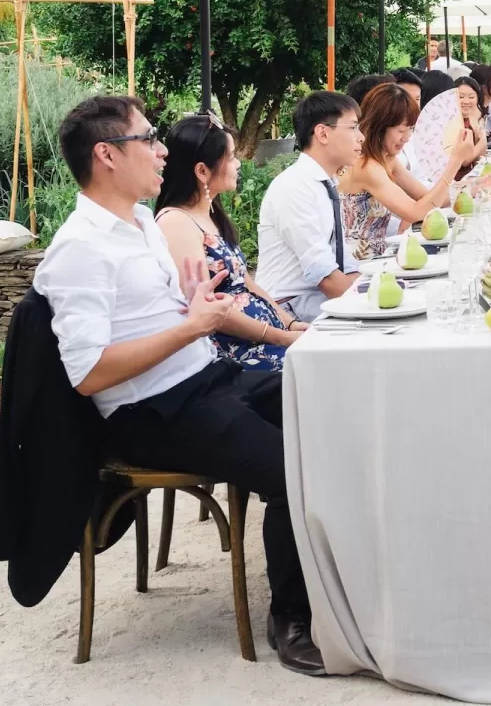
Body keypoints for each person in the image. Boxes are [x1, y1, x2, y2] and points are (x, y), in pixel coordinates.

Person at [34, 95, 325, 674]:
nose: (162, 149)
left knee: (327, 404)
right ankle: (291, 617)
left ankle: (342, 579)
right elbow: (89, 374)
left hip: (205, 377)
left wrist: (194, 307)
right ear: (106, 155)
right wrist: (193, 325)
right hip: (153, 411)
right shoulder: (79, 249)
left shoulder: (141, 221)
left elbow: (165, 318)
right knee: (296, 469)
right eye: (148, 139)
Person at [156, 114, 306, 370]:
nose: (238, 164)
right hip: (234, 351)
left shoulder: (209, 214)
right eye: (232, 156)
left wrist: (290, 324)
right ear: (202, 170)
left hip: (267, 338)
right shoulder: (176, 223)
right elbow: (206, 307)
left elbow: (247, 284)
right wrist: (280, 337)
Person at [256, 90, 363, 324]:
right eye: (353, 127)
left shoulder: (325, 183)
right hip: (287, 311)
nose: (361, 137)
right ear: (322, 133)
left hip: (314, 301)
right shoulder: (294, 187)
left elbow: (342, 260)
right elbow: (326, 278)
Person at [339, 82, 471, 257]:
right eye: (401, 130)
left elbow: (428, 197)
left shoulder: (386, 160)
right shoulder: (366, 166)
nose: (407, 138)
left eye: (410, 129)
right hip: (358, 266)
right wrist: (455, 161)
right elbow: (417, 212)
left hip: (380, 257)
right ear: (379, 127)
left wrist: (473, 187)